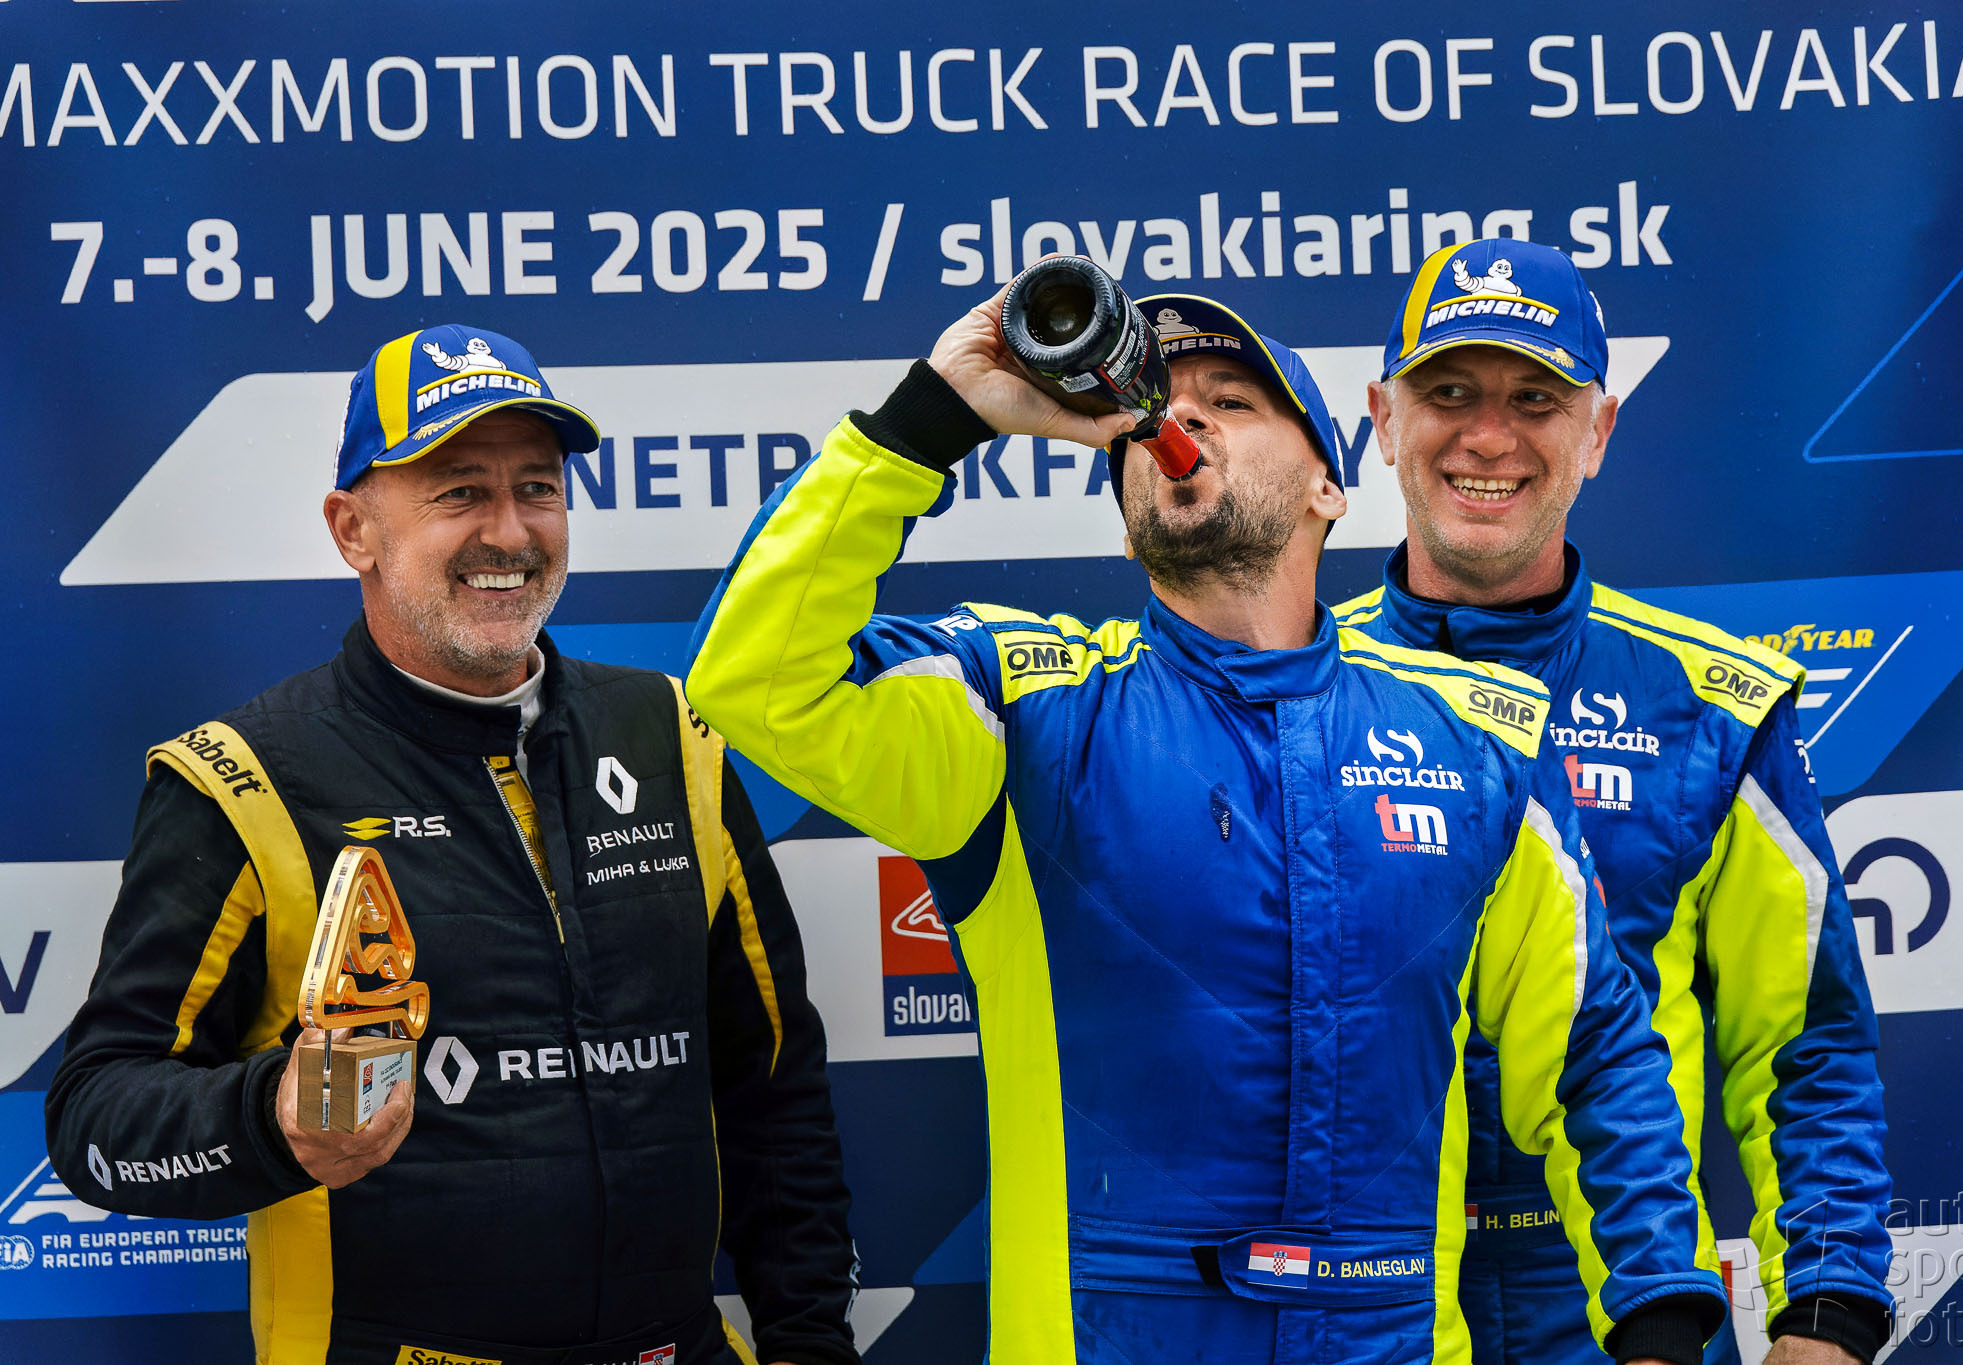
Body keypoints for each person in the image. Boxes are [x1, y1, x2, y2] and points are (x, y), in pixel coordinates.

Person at [684, 286, 1729, 1364]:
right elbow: (753, 680)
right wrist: (931, 418)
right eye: (1153, 409)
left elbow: (1596, 1056)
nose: (1178, 419)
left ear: (1328, 487)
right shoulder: (1023, 710)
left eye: (1231, 399)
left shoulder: (1474, 736)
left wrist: (1657, 1323)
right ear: (1125, 506)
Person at [45, 325, 860, 1365]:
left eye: (538, 488)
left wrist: (806, 1343)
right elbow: (94, 1119)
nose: (509, 532)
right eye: (460, 492)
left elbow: (773, 1089)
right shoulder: (243, 780)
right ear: (353, 531)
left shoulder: (671, 736)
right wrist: (274, 1118)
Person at [1339, 239, 1893, 1365]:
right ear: (1383, 421)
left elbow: (1808, 1044)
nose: (1488, 436)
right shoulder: (1295, 689)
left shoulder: (1712, 704)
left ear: (1596, 431)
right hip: (1364, 1301)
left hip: (1633, 1306)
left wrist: (1826, 1317)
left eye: (1534, 399)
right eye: (1449, 392)